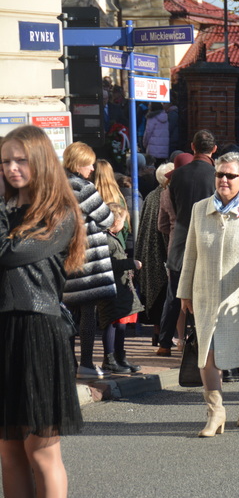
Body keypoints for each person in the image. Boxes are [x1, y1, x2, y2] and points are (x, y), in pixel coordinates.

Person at [0, 125, 87, 497]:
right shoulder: (6, 210)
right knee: (8, 451)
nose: (11, 168)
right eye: (5, 161)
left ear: (40, 161)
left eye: (20, 160)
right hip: (4, 330)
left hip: (37, 328)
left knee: (41, 450)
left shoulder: (59, 213)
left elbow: (9, 254)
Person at [177, 152, 239, 436]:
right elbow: (190, 253)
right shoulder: (200, 209)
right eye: (220, 174)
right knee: (207, 351)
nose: (224, 180)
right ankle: (215, 411)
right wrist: (185, 292)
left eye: (230, 175)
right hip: (205, 293)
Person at [158, 130, 217, 357]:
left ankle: (165, 343)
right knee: (206, 294)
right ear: (214, 149)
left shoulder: (177, 175)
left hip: (181, 239)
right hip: (207, 239)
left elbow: (173, 208)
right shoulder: (216, 175)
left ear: (193, 147)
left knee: (174, 293)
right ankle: (203, 343)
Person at [62, 142, 116, 379]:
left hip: (64, 256)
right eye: (89, 164)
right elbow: (107, 218)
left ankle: (69, 362)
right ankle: (85, 363)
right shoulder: (84, 188)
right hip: (87, 259)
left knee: (67, 312)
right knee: (88, 312)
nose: (92, 169)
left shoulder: (56, 185)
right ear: (78, 164)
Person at [96, 203, 144, 375]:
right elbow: (110, 264)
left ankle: (119, 357)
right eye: (123, 221)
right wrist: (131, 263)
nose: (124, 225)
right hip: (112, 289)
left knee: (120, 324)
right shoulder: (107, 240)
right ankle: (110, 359)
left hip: (120, 289)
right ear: (115, 221)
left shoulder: (111, 238)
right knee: (112, 323)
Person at [135, 162, 172, 334]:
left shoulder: (151, 196)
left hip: (149, 251)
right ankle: (162, 334)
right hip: (162, 252)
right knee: (164, 294)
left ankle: (157, 333)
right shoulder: (166, 196)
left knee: (156, 294)